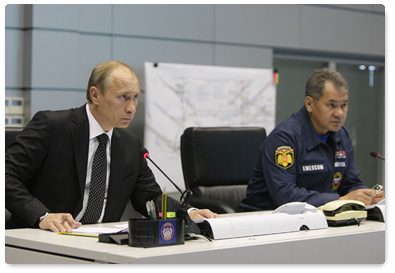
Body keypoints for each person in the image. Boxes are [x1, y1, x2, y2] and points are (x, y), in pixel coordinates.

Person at [5, 61, 219, 233]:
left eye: (135, 98)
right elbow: (6, 176)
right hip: (42, 237)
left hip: (99, 242)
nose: (131, 108)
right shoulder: (52, 126)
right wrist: (42, 216)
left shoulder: (129, 144)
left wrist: (188, 212)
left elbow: (149, 198)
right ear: (95, 95)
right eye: (123, 97)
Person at [240, 68, 384, 211]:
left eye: (344, 105)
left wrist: (366, 195)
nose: (339, 113)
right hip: (267, 220)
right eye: (331, 105)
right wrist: (340, 200)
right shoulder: (284, 138)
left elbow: (351, 183)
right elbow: (285, 196)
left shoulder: (342, 135)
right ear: (309, 104)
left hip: (317, 218)